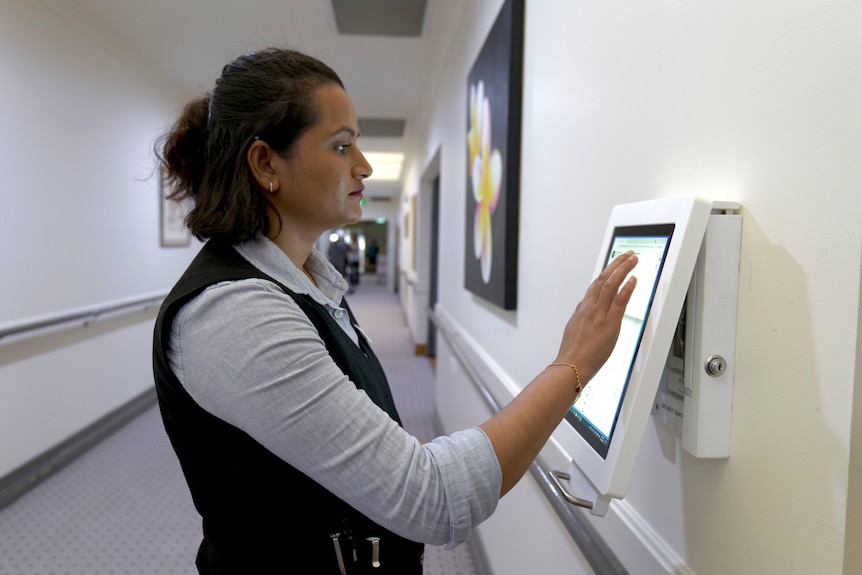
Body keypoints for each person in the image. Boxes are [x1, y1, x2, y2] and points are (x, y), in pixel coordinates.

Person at [152, 46, 637, 574]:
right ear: (266, 162)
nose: (363, 165)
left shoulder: (308, 282)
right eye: (341, 146)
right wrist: (574, 364)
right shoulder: (234, 314)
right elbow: (434, 500)